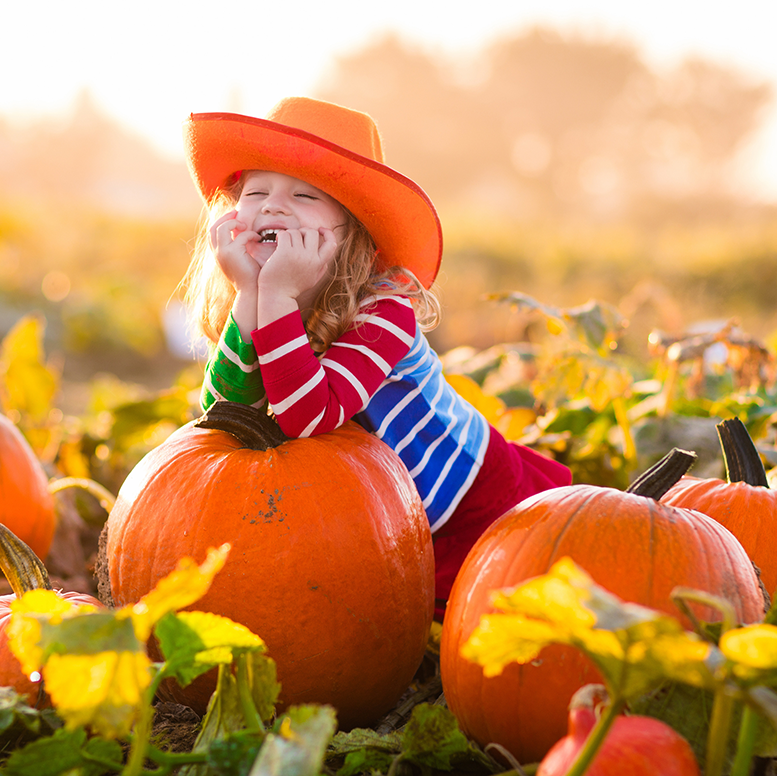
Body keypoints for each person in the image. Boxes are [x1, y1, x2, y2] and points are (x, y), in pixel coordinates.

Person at [179, 96, 571, 618]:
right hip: (384, 512)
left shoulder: (384, 311)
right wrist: (251, 294)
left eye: (304, 195)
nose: (273, 207)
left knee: (495, 615)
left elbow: (308, 417)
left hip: (468, 506)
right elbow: (225, 413)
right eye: (256, 192)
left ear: (351, 233)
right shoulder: (261, 295)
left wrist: (274, 296)